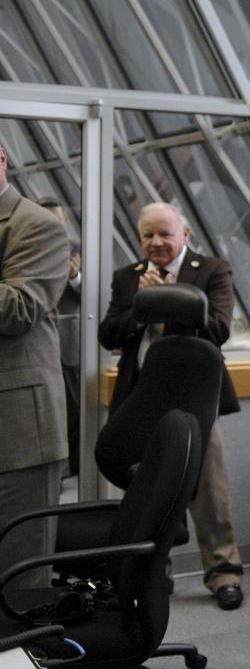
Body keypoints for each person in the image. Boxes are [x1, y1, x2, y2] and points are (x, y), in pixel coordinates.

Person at [99, 202, 246, 610]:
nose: (157, 243)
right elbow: (108, 332)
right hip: (141, 401)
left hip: (196, 400)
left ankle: (224, 573)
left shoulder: (211, 269)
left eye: (165, 234)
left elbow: (218, 328)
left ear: (185, 234)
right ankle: (152, 575)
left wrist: (168, 300)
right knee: (145, 492)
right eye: (148, 235)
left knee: (210, 492)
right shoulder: (127, 278)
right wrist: (140, 309)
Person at [0, 146, 70, 590]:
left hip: (17, 436)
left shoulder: (36, 225)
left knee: (18, 584)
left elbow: (19, 310)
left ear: (2, 157)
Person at [37, 197, 81, 477]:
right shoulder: (27, 248)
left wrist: (74, 277)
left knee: (75, 407)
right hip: (39, 342)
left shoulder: (77, 249)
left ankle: (75, 468)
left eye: (57, 220)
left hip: (69, 342)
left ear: (65, 221)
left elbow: (94, 293)